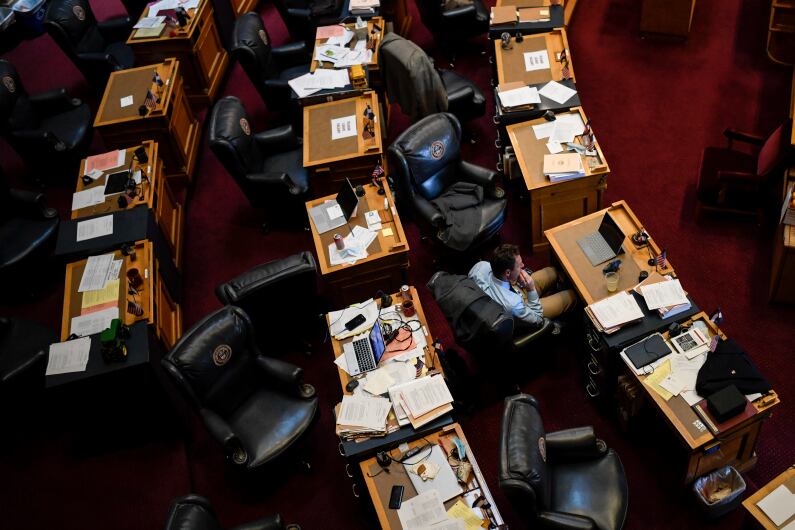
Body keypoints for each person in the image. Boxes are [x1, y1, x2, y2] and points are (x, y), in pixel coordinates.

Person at [468, 243, 577, 333]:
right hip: (523, 308)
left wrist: (513, 280)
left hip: (513, 289)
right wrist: (530, 289)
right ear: (507, 272)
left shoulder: (480, 266)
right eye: (519, 265)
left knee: (552, 272)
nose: (523, 265)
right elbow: (538, 318)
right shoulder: (513, 304)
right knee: (571, 296)